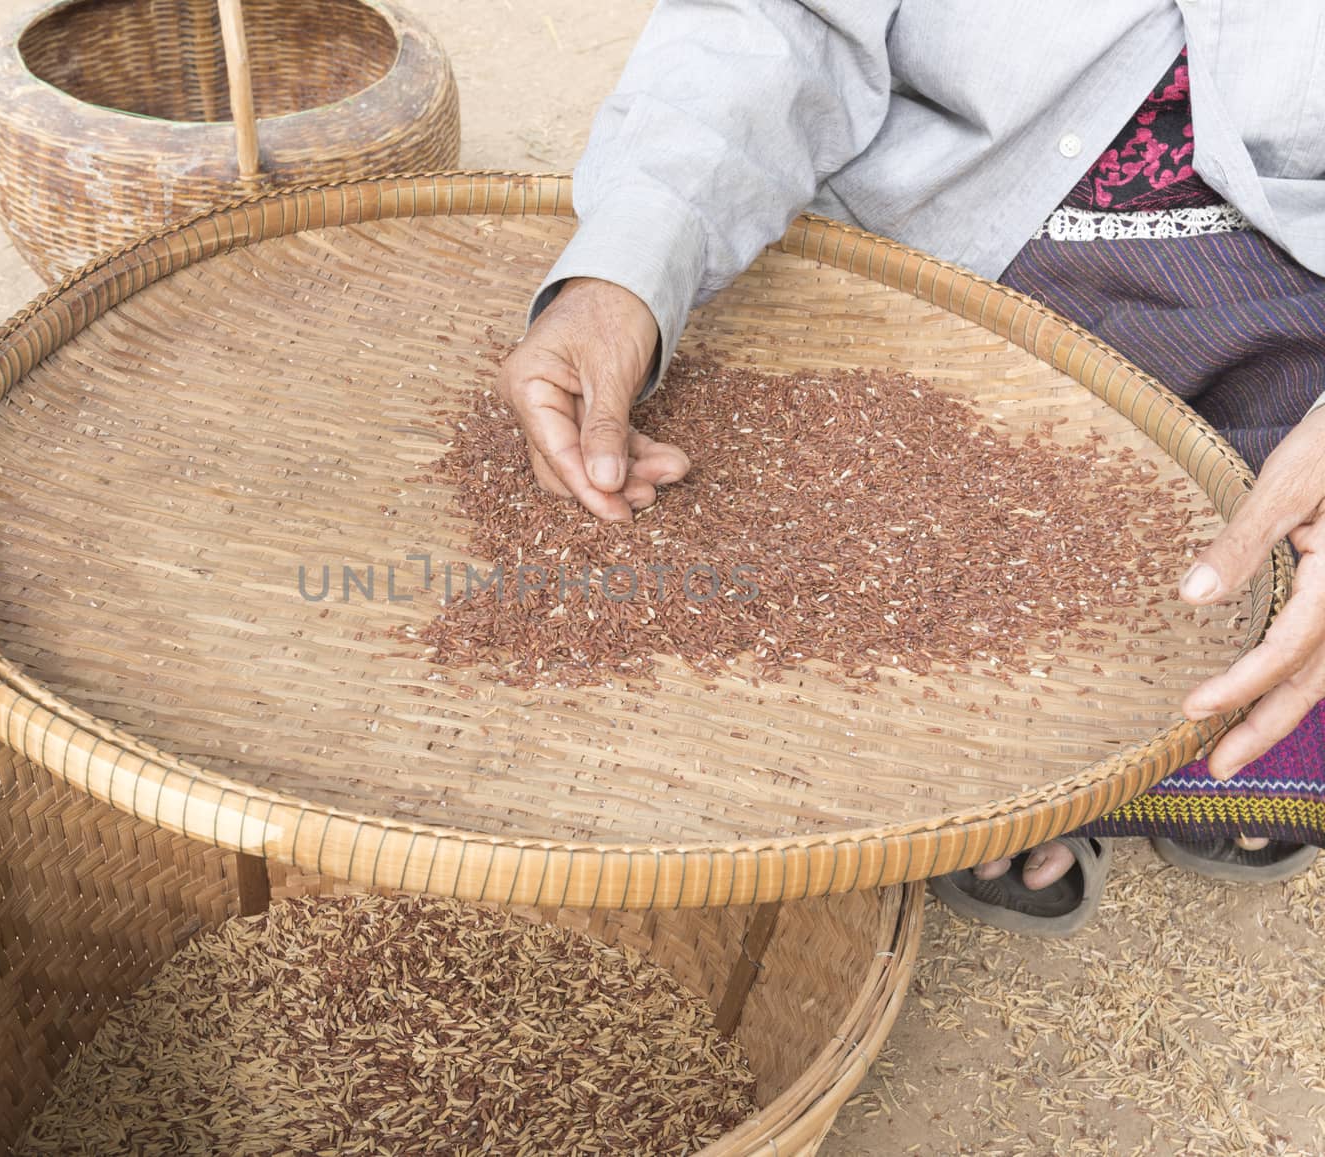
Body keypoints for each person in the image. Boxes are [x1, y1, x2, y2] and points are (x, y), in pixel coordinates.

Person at [495, 1, 1325, 934]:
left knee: (1267, 591)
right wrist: (625, 274)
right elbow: (776, 21)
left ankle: (1146, 749)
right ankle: (1030, 757)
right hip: (960, 234)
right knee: (838, 548)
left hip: (1289, 274)